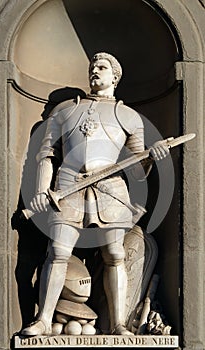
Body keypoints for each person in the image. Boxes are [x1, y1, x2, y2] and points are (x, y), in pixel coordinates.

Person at [21, 52, 169, 336]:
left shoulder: (129, 116)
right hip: (68, 185)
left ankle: (117, 324)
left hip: (110, 189)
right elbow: (46, 155)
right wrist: (41, 190)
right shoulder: (64, 110)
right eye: (92, 66)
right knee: (58, 251)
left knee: (114, 254)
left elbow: (137, 170)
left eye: (102, 67)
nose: (95, 71)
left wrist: (153, 158)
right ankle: (43, 319)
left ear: (115, 76)